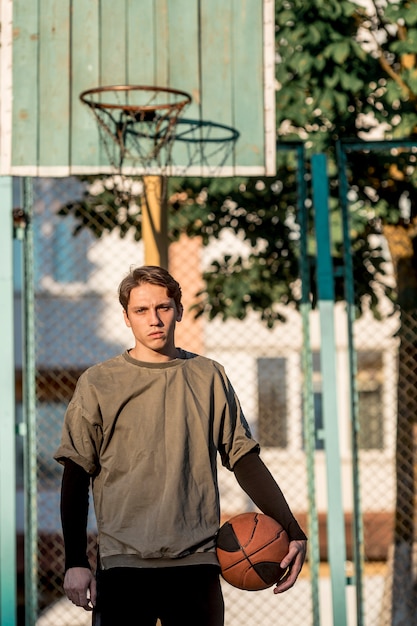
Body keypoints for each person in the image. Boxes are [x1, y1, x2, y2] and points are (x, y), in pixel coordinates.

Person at [55, 265, 307, 626]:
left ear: (180, 311)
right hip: (123, 564)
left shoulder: (209, 376)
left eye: (164, 307)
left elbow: (244, 460)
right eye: (141, 310)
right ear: (126, 317)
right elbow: (76, 475)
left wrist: (292, 531)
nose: (154, 319)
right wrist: (75, 562)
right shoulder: (99, 383)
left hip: (197, 564)